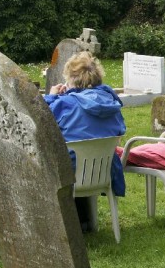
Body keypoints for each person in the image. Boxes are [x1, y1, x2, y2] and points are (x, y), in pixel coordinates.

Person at [44, 52, 126, 232]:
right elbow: (120, 131)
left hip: (70, 173)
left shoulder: (63, 104)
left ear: (71, 79)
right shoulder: (110, 101)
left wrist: (51, 96)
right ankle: (85, 221)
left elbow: (41, 121)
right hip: (103, 170)